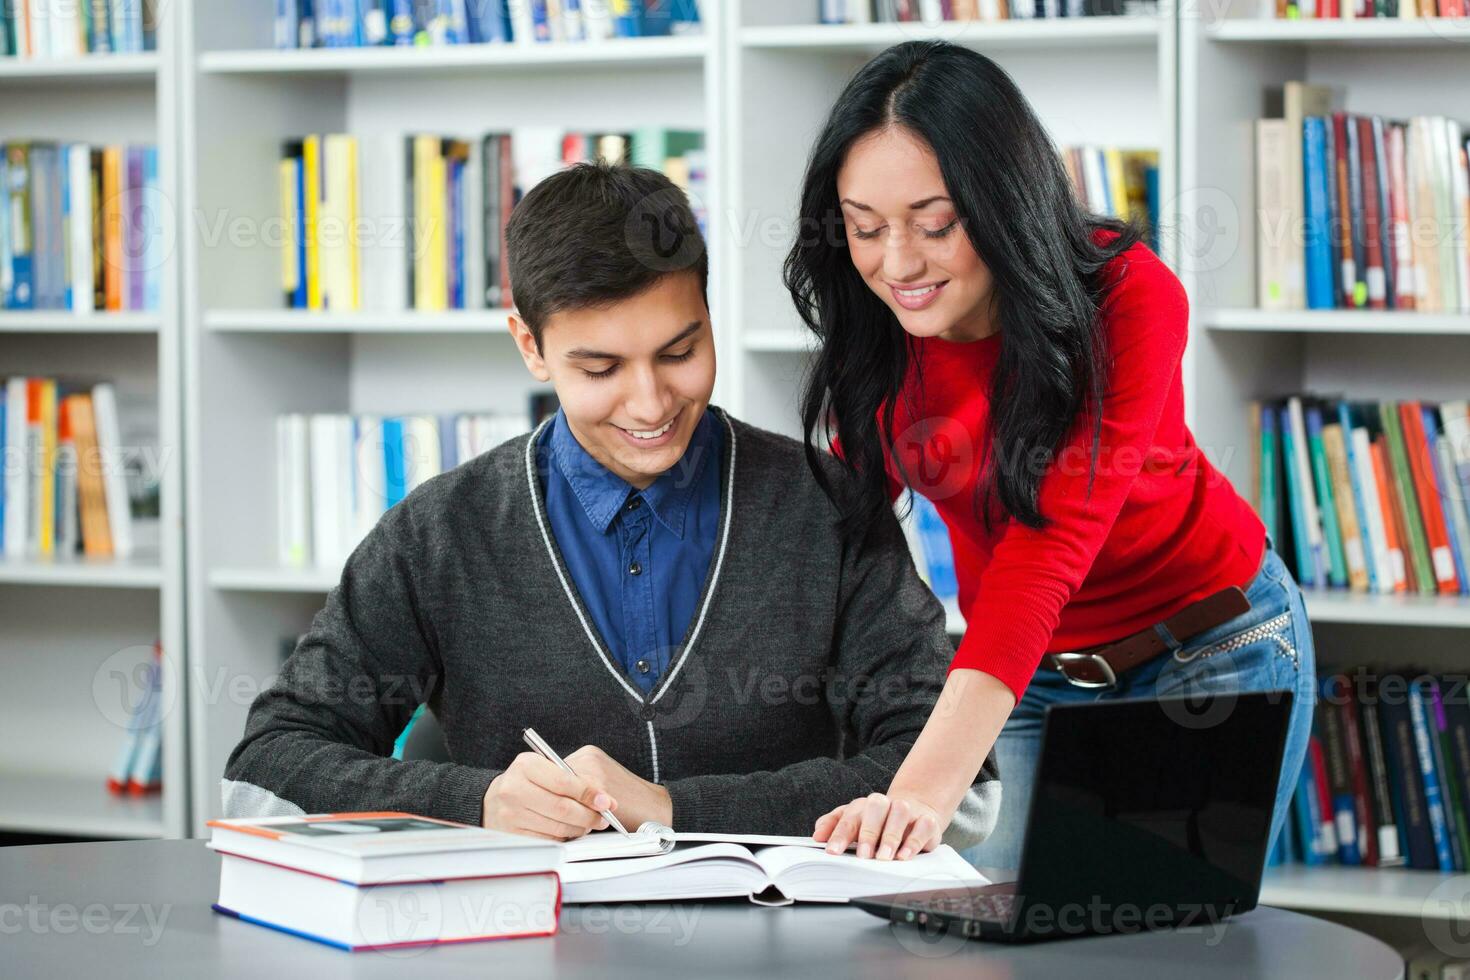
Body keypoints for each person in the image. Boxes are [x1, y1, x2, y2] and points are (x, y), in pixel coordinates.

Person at [221, 161, 1000, 845]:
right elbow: (267, 766)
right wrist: (476, 800)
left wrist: (672, 809)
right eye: (600, 368)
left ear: (708, 313)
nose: (651, 402)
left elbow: (960, 783)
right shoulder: (438, 536)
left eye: (681, 351)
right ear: (529, 345)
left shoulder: (829, 508)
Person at [784, 40, 1315, 866]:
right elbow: (834, 529)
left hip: (1210, 651)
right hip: (1030, 675)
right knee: (1013, 938)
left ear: (1002, 201)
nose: (898, 263)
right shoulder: (878, 328)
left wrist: (923, 790)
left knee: (1165, 944)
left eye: (935, 225)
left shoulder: (1129, 296)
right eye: (864, 228)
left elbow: (1048, 546)